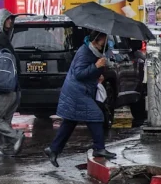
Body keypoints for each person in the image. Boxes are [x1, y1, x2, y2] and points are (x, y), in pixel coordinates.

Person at [45, 31, 118, 167]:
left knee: (70, 121)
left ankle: (53, 149)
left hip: (81, 90)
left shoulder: (95, 52)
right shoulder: (85, 52)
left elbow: (88, 72)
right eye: (103, 39)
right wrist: (96, 66)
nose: (106, 42)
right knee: (96, 115)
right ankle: (99, 148)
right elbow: (79, 73)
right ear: (96, 39)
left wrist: (98, 74)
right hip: (77, 91)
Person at [0, 37, 26, 156]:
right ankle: (5, 148)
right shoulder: (11, 53)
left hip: (2, 92)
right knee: (5, 121)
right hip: (15, 92)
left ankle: (16, 136)